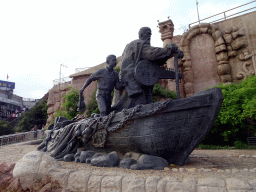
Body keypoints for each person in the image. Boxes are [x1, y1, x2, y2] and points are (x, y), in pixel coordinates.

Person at [119, 27, 183, 108]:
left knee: (147, 104)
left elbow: (155, 60)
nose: (150, 36)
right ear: (141, 35)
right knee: (141, 107)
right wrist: (169, 49)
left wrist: (172, 54)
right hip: (134, 83)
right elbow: (152, 54)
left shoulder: (133, 46)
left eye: (150, 34)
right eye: (148, 34)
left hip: (136, 82)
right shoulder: (139, 44)